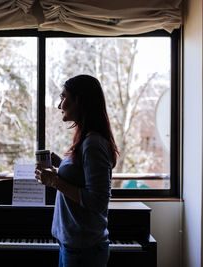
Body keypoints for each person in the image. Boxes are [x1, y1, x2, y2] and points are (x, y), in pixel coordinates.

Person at [35, 74, 119, 267]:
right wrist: (62, 164)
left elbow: (98, 201)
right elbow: (83, 176)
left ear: (79, 101)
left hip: (84, 251)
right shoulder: (86, 141)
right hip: (74, 246)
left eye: (63, 98)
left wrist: (54, 181)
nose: (59, 105)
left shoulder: (93, 143)